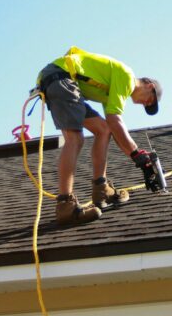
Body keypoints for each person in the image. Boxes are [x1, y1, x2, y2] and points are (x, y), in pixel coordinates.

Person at [36, 46, 162, 225]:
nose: (144, 103)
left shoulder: (113, 89)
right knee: (75, 138)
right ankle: (65, 206)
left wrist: (136, 156)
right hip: (60, 78)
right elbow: (116, 120)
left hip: (62, 81)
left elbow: (112, 125)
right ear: (150, 86)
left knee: (103, 130)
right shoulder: (126, 76)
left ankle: (101, 189)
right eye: (149, 100)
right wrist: (137, 154)